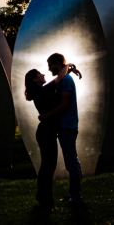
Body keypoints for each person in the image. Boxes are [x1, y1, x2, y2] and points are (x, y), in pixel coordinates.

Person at [24, 61, 80, 208]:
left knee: (47, 166)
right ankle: (45, 199)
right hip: (46, 133)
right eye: (40, 74)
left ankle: (43, 196)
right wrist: (68, 65)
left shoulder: (41, 90)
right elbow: (60, 77)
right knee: (48, 167)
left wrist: (68, 70)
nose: (44, 74)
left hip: (46, 132)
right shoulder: (43, 90)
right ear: (35, 79)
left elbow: (60, 77)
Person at [39, 53, 83, 205]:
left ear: (57, 63)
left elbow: (64, 105)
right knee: (72, 161)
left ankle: (76, 197)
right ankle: (74, 195)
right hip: (65, 126)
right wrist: (69, 67)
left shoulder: (65, 80)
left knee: (72, 162)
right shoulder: (65, 78)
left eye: (50, 65)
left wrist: (46, 115)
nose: (49, 69)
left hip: (67, 126)